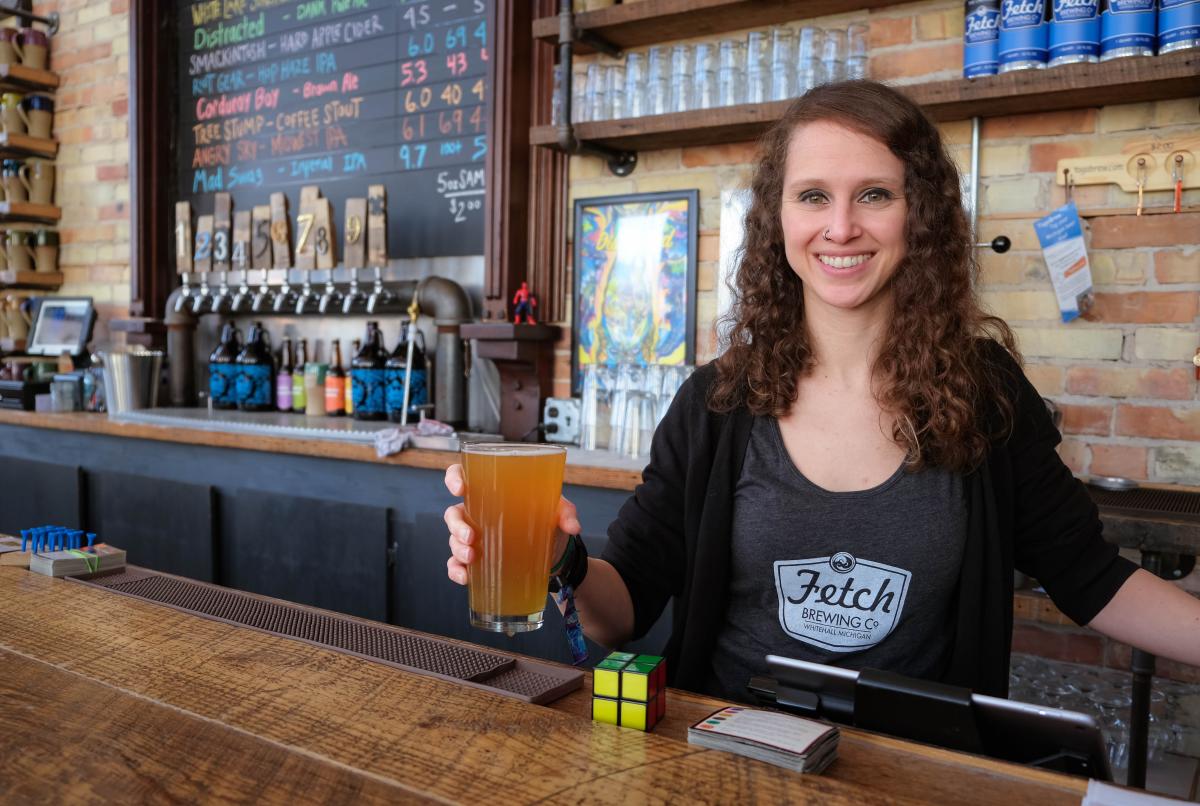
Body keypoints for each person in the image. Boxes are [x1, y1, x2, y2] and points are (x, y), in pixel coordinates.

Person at [444, 80, 1200, 701]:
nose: (840, 227)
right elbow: (623, 610)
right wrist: (556, 556)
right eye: (812, 196)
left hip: (913, 773)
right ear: (778, 220)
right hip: (726, 762)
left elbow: (1091, 578)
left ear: (920, 216)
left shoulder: (983, 391)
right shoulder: (717, 402)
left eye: (874, 194)